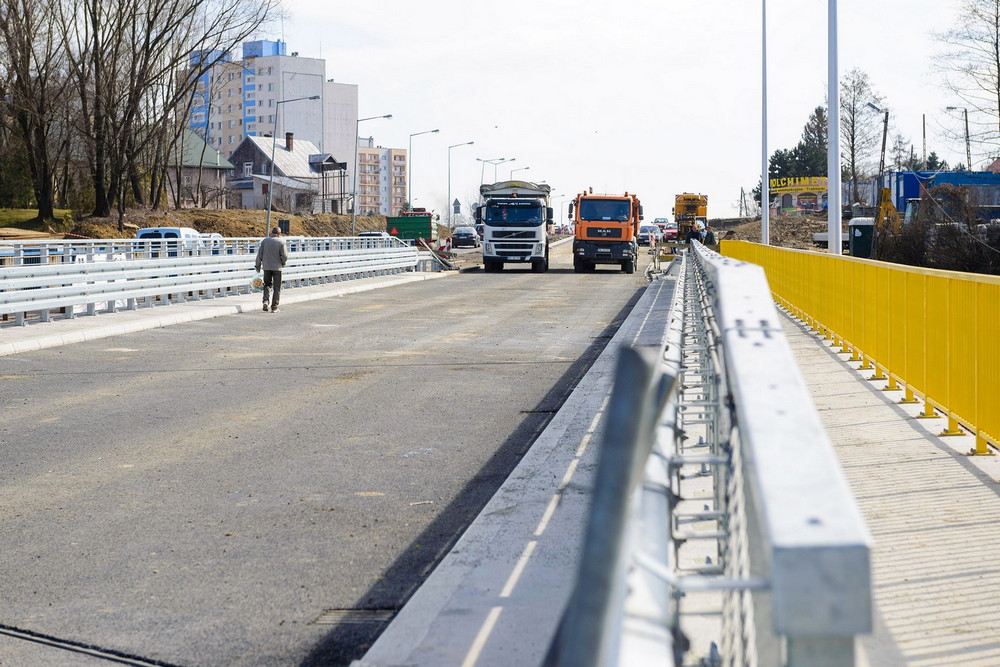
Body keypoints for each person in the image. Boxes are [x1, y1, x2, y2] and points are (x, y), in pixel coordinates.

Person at [255, 225, 288, 312]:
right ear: (279, 233)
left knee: (267, 285)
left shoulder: (265, 241)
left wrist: (257, 266)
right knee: (277, 288)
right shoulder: (281, 242)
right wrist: (283, 263)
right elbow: (284, 256)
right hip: (277, 268)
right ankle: (274, 307)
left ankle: (265, 301)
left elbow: (259, 255)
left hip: (266, 267)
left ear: (271, 232)